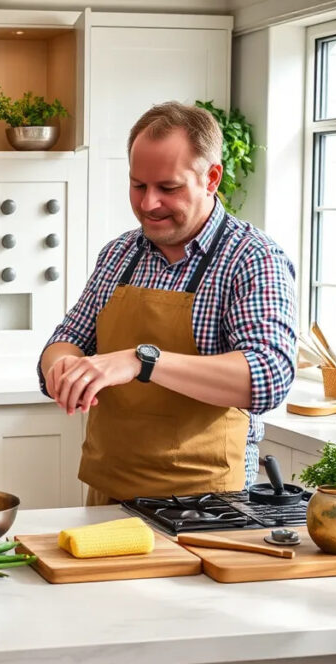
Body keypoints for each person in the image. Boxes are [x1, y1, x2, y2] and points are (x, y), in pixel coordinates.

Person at [38, 101, 297, 505]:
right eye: (138, 185)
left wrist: (144, 361)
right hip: (107, 494)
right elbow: (67, 339)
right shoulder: (120, 254)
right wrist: (62, 369)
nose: (148, 204)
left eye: (168, 188)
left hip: (207, 505)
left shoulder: (252, 257)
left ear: (211, 178)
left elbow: (268, 375)